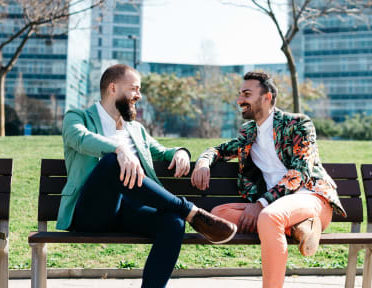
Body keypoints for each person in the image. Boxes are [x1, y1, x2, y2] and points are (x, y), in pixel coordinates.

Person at [56, 64, 236, 288]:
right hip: (92, 212)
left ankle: (183, 216)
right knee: (112, 163)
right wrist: (119, 150)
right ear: (113, 88)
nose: (139, 96)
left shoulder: (136, 129)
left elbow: (161, 151)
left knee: (174, 222)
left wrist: (181, 152)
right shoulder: (77, 117)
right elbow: (80, 139)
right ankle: (191, 211)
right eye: (134, 89)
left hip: (130, 211)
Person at [191, 71, 346, 288]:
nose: (240, 100)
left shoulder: (298, 124)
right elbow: (220, 150)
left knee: (269, 217)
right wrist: (203, 162)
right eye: (239, 94)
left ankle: (299, 225)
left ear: (267, 97)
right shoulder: (249, 133)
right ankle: (300, 228)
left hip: (312, 198)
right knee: (219, 215)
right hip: (277, 207)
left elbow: (300, 172)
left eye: (247, 94)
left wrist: (261, 204)